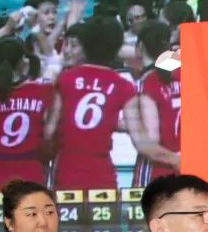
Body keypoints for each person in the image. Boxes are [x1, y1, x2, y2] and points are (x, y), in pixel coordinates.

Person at [46, 16, 140, 189]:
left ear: (85, 45)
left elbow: (49, 131)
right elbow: (140, 138)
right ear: (117, 46)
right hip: (102, 173)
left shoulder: (65, 79)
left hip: (66, 171)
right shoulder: (124, 85)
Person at [0, 15, 54, 193]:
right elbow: (53, 60)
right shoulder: (41, 88)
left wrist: (6, 29)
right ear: (23, 62)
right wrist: (36, 28)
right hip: (32, 172)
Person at [132, 20, 182, 186]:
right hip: (186, 168)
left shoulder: (147, 82)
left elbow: (150, 139)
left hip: (157, 170)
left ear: (140, 47)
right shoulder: (185, 74)